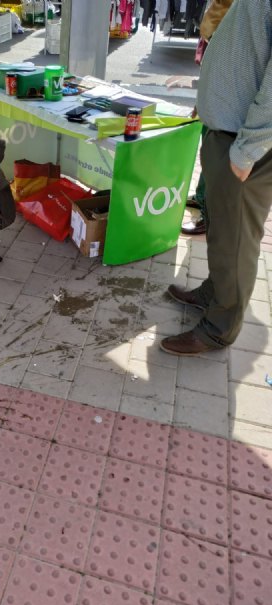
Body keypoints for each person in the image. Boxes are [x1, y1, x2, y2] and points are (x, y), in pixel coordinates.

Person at [161, 0, 272, 356]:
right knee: (224, 233)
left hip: (242, 143)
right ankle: (215, 293)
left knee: (236, 242)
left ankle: (219, 330)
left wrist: (248, 149)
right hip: (228, 133)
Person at [181, 0, 234, 236]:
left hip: (228, 111)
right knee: (207, 152)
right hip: (213, 104)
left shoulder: (236, 45)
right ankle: (202, 197)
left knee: (216, 161)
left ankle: (209, 215)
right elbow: (209, 72)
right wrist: (200, 103)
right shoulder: (218, 42)